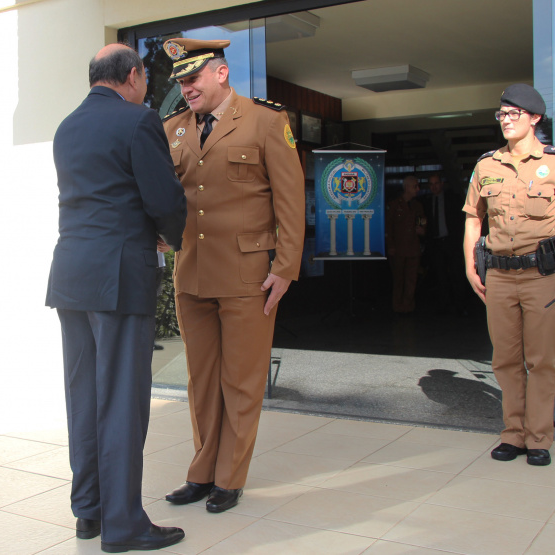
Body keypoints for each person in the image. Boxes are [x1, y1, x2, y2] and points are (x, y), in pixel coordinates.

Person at [45, 43, 187, 552]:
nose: (146, 88)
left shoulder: (66, 128)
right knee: (124, 401)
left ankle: (90, 511)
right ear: (132, 76)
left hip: (71, 276)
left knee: (83, 398)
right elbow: (163, 198)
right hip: (119, 277)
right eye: (146, 78)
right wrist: (173, 235)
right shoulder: (138, 121)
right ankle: (124, 525)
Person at [160, 38, 305, 513]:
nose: (186, 89)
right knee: (201, 381)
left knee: (240, 381)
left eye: (193, 78)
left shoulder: (266, 121)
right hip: (191, 274)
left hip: (248, 277)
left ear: (220, 73)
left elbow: (290, 199)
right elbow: (165, 195)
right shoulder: (173, 129)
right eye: (180, 82)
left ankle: (230, 477)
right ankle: (201, 472)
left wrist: (285, 267)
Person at [463, 83, 555, 466]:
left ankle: (538, 437)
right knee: (504, 359)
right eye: (501, 114)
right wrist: (470, 265)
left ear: (534, 118)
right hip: (499, 277)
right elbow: (474, 218)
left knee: (542, 359)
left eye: (513, 114)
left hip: (543, 276)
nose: (505, 120)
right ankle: (513, 435)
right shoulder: (486, 165)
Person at [421, 174, 465, 312]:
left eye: (436, 183)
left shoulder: (452, 199)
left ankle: (460, 304)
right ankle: (444, 305)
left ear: (442, 184)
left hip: (451, 242)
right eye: (431, 184)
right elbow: (421, 219)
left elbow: (460, 220)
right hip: (436, 244)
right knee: (440, 275)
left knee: (456, 273)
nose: (434, 187)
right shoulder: (426, 202)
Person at [385, 176, 426, 314]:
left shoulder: (417, 206)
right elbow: (388, 227)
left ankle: (408, 307)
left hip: (413, 248)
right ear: (407, 187)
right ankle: (398, 307)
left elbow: (422, 222)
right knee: (398, 280)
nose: (417, 189)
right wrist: (390, 246)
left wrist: (422, 230)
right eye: (415, 186)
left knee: (411, 280)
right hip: (398, 249)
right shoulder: (394, 205)